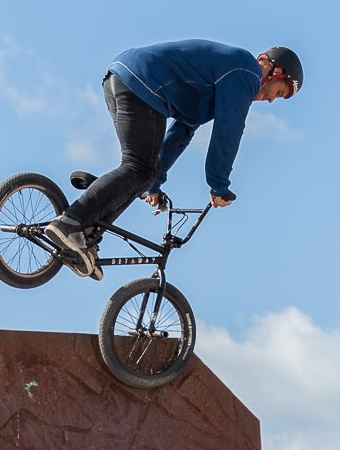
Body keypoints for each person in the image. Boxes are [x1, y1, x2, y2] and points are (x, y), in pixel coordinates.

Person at [43, 40, 302, 281]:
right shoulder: (247, 71)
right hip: (143, 83)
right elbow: (229, 131)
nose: (271, 100)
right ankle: (71, 222)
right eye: (278, 92)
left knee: (141, 173)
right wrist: (219, 185)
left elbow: (181, 133)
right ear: (273, 71)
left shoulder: (223, 80)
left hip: (122, 78)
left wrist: (154, 184)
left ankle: (85, 236)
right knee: (138, 168)